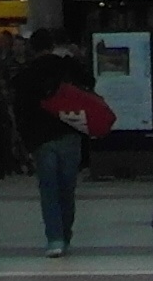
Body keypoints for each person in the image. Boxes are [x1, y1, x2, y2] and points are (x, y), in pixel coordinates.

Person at [11, 30, 95, 256]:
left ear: (33, 48)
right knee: (67, 188)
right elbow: (90, 83)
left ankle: (55, 238)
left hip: (41, 138)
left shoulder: (27, 74)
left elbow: (21, 109)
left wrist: (25, 142)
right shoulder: (67, 67)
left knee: (49, 189)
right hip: (70, 131)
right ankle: (65, 234)